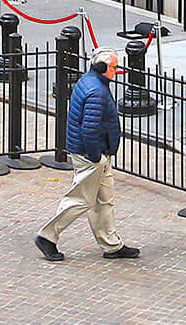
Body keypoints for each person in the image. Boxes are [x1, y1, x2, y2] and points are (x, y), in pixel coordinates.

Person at [35, 52, 137, 262]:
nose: (117, 71)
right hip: (91, 155)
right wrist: (95, 157)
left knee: (104, 200)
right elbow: (89, 129)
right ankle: (47, 236)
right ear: (101, 68)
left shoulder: (89, 80)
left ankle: (112, 245)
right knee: (81, 199)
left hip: (98, 153)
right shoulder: (97, 91)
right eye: (114, 67)